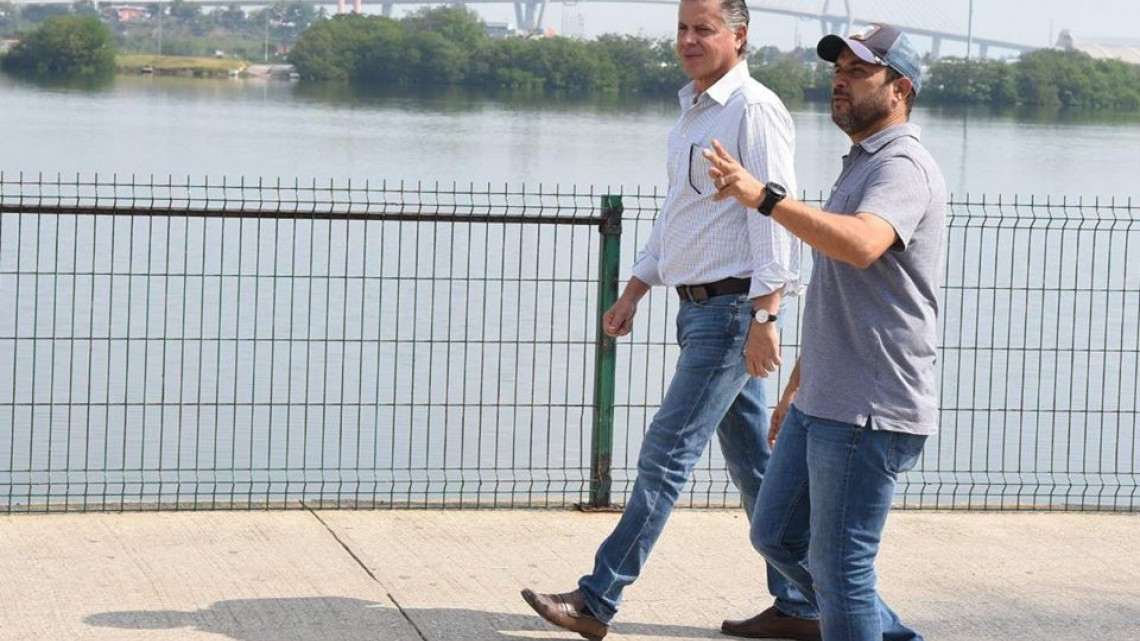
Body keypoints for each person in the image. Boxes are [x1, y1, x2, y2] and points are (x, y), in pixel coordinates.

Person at [519, 0, 821, 640]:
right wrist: (635, 290)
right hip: (699, 312)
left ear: (739, 36)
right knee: (755, 470)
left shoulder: (754, 109)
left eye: (704, 29)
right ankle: (804, 604)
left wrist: (768, 312)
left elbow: (776, 215)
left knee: (664, 454)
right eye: (683, 28)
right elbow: (676, 217)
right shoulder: (693, 111)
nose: (689, 39)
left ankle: (597, 600)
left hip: (735, 312)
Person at [705, 22, 947, 641]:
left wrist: (765, 199)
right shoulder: (860, 164)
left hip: (870, 411)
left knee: (843, 574)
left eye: (859, 70)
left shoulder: (904, 167)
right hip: (824, 400)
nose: (840, 79)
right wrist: (795, 389)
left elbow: (864, 245)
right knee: (777, 534)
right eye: (837, 69)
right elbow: (845, 297)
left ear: (900, 89)